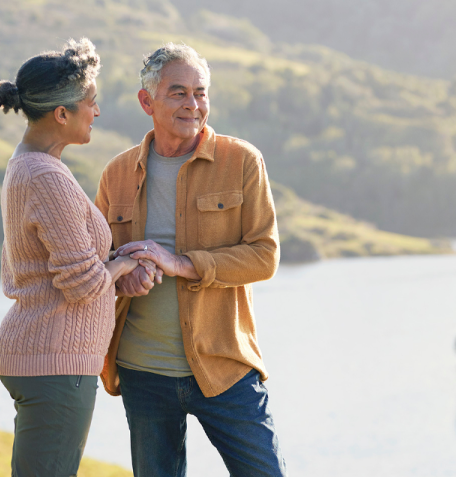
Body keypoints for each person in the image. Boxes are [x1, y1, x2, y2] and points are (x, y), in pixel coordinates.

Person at [95, 43, 287, 476]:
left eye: (200, 93)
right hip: (142, 371)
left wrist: (181, 263)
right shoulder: (117, 173)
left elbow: (265, 256)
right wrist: (122, 276)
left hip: (225, 366)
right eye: (178, 92)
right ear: (147, 101)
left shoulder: (242, 161)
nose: (192, 104)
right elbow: (99, 257)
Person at [0, 38, 154, 477]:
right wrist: (124, 265)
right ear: (61, 114)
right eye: (90, 103)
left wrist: (116, 257)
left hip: (42, 355)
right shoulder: (45, 175)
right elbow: (81, 283)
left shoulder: (27, 164)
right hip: (55, 361)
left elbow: (55, 263)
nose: (96, 112)